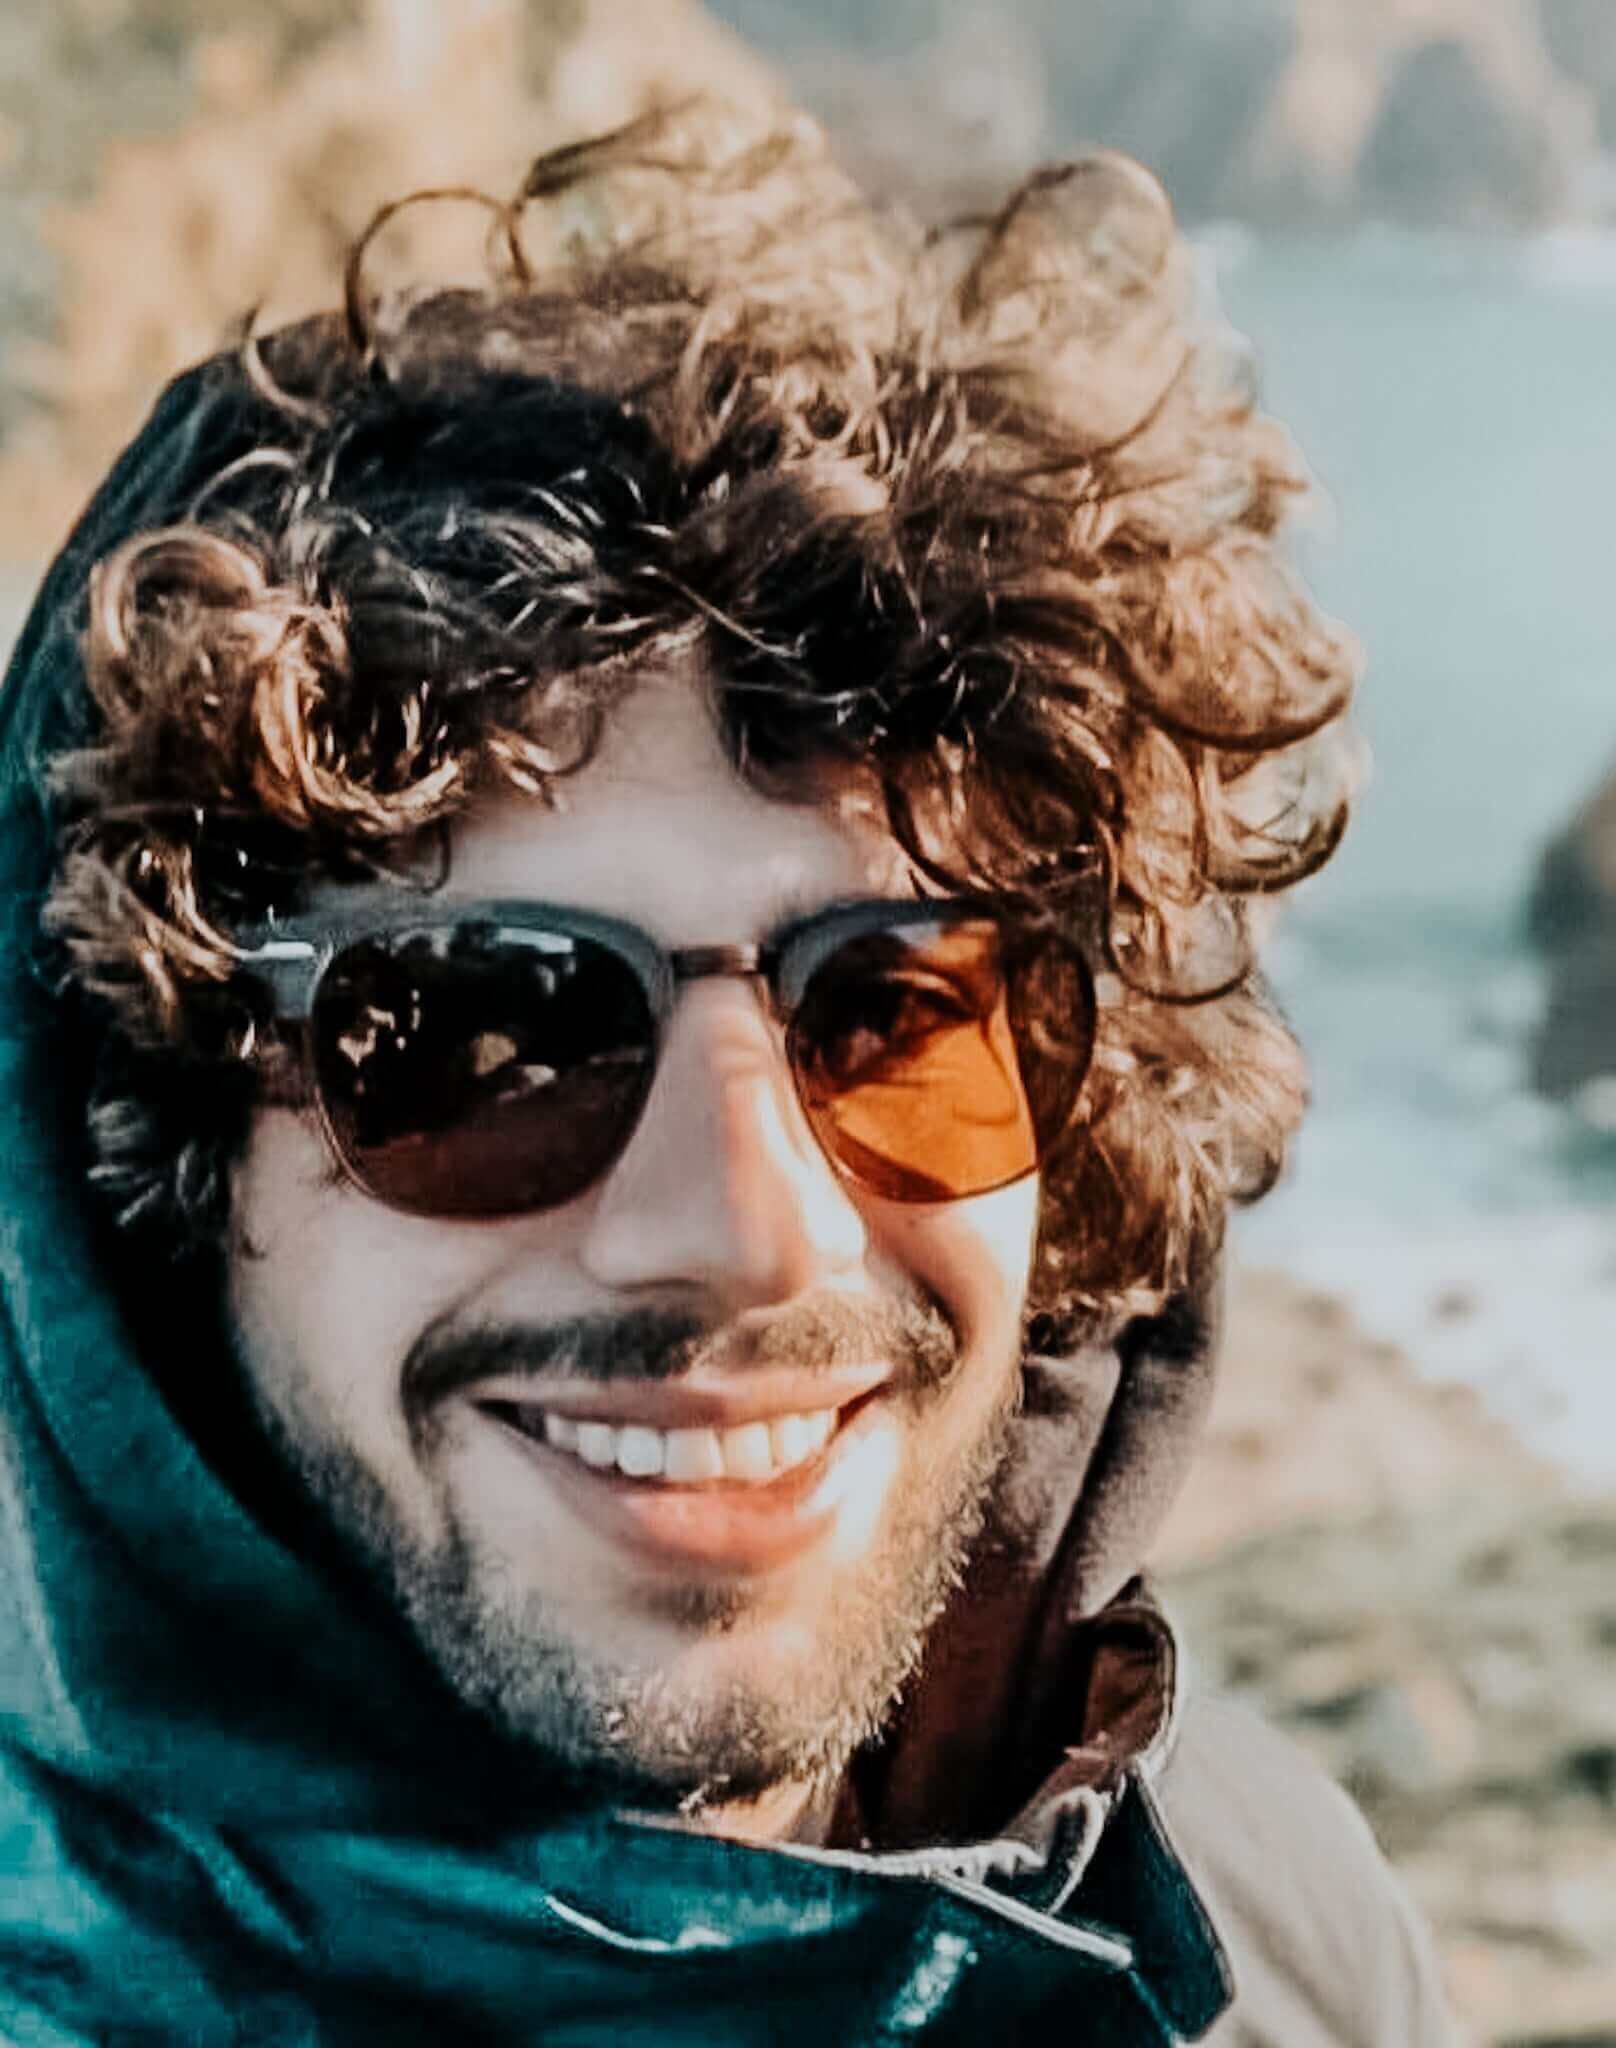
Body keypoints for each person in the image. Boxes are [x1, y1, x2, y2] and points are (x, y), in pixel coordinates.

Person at [0, 99, 1456, 2045]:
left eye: (893, 1013)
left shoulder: (1271, 1924)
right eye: (490, 1037)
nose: (746, 1226)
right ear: (165, 1167)